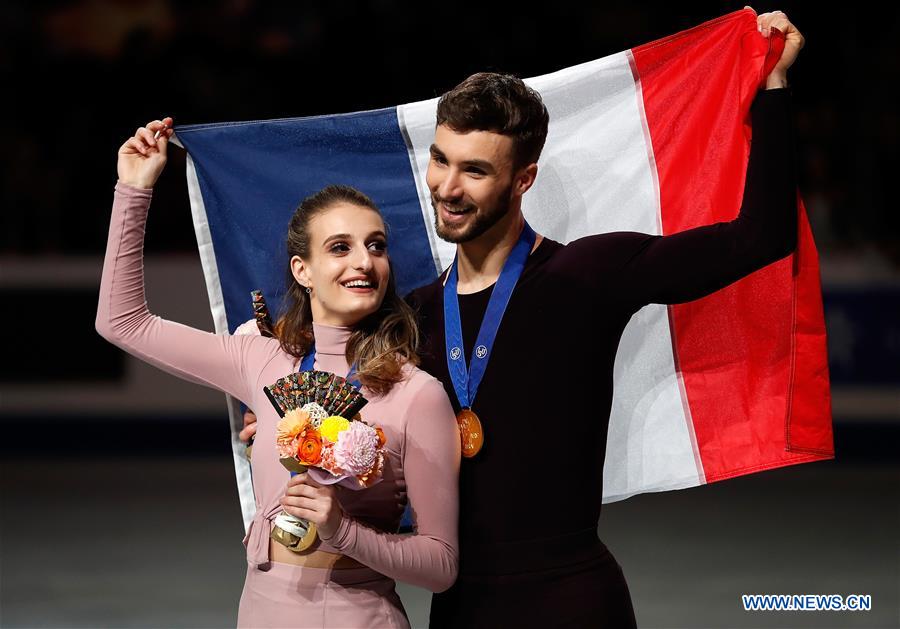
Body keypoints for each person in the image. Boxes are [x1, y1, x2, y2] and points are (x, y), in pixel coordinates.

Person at [240, 8, 804, 626]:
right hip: (459, 606)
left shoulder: (589, 276)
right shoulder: (413, 316)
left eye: (476, 170)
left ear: (523, 179)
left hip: (571, 600)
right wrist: (277, 426)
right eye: (441, 160)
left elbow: (761, 237)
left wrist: (771, 86)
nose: (448, 187)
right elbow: (350, 430)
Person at [96, 124, 461, 628]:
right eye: (340, 247)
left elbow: (441, 566)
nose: (364, 261)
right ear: (302, 270)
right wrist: (134, 189)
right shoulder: (262, 360)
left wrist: (341, 529)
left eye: (375, 245)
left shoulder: (416, 394)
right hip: (259, 610)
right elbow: (122, 322)